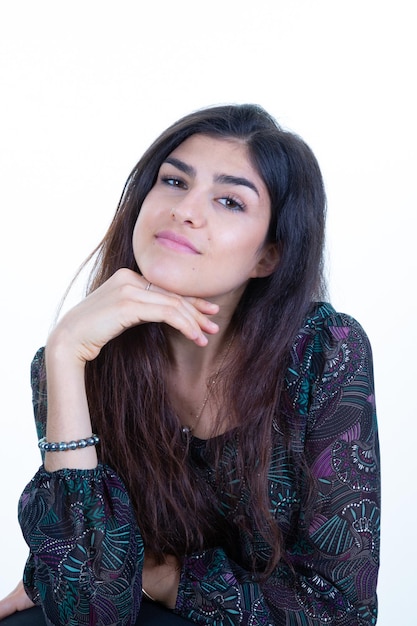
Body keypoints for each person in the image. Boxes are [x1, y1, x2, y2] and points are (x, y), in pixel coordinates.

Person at [0, 104, 380, 626]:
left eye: (229, 201)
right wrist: (64, 354)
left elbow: (340, 613)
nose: (185, 210)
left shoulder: (324, 352)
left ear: (267, 256)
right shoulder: (77, 358)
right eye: (174, 182)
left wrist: (160, 576)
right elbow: (90, 609)